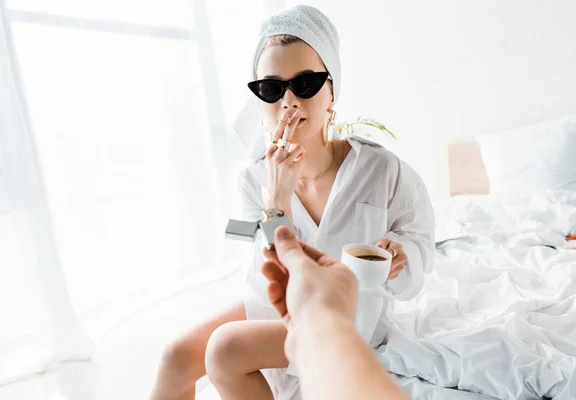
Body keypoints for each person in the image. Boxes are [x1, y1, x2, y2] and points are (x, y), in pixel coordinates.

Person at [150, 5, 434, 400]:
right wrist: (276, 204)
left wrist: (402, 259)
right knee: (175, 358)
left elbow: (417, 261)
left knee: (226, 348)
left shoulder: (382, 170)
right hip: (279, 305)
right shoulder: (253, 179)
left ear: (332, 91)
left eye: (305, 84)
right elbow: (265, 273)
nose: (288, 101)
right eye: (271, 88)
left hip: (345, 315)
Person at [261, 225, 411, 400]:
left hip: (337, 313)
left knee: (225, 347)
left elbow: (416, 253)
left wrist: (318, 318)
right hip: (301, 304)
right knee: (222, 340)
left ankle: (311, 335)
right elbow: (260, 271)